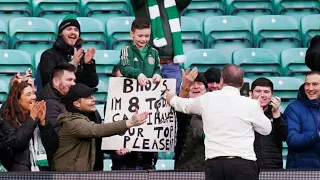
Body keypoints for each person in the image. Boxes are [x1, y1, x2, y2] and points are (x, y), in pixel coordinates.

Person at [166, 64, 272, 180]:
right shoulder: (251, 104)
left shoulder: (207, 99)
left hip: (215, 165)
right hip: (244, 164)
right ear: (242, 84)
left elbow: (182, 105)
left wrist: (170, 96)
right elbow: (266, 130)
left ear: (221, 81)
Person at [54, 83, 149, 171]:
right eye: (88, 97)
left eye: (92, 96)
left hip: (90, 172)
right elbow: (96, 130)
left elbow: (97, 140)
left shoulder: (93, 114)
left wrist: (114, 151)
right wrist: (130, 122)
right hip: (70, 174)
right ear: (77, 104)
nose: (94, 99)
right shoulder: (72, 122)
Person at [130, 0, 192, 92]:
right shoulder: (141, 4)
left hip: (171, 64)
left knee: (175, 102)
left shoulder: (176, 2)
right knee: (146, 103)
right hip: (146, 65)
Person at [37, 14, 98, 89]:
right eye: (69, 29)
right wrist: (73, 65)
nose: (73, 32)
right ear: (60, 33)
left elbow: (92, 84)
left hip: (78, 99)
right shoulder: (48, 55)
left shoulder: (82, 55)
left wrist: (88, 65)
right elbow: (51, 82)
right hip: (57, 100)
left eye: (76, 30)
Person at [37, 63, 76, 171]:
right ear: (56, 81)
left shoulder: (62, 98)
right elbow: (56, 139)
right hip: (56, 165)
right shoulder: (49, 103)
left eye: (74, 80)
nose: (73, 83)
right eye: (69, 80)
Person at [0, 81, 46, 171]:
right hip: (18, 172)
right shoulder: (6, 120)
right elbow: (17, 143)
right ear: (18, 100)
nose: (34, 97)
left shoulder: (36, 116)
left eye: (33, 93)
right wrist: (31, 119)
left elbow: (52, 145)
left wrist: (43, 123)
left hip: (42, 170)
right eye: (29, 94)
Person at [284, 71, 320, 169]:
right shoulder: (293, 108)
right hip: (301, 170)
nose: (310, 88)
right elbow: (292, 139)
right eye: (307, 84)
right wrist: (317, 135)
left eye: (315, 84)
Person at [250, 77, 288, 169]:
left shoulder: (277, 114)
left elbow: (284, 136)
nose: (262, 95)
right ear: (251, 94)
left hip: (273, 166)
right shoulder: (245, 114)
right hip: (250, 166)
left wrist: (276, 114)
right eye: (258, 91)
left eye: (266, 92)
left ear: (272, 95)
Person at [175, 72, 209, 171]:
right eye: (192, 83)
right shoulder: (180, 108)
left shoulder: (214, 107)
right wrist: (185, 87)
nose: (196, 86)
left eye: (200, 83)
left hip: (208, 162)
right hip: (184, 162)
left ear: (206, 89)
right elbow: (179, 104)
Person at [119, 18, 162, 86]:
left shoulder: (154, 52)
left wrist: (157, 74)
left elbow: (157, 68)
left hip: (149, 92)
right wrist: (138, 74)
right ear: (132, 34)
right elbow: (124, 67)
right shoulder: (126, 49)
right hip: (131, 91)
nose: (143, 39)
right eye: (140, 36)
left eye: (147, 36)